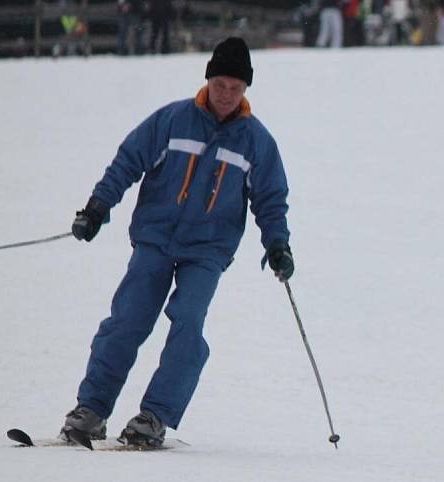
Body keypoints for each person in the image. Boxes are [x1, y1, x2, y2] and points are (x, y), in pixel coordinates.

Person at [59, 37, 294, 447]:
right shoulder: (172, 120)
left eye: (236, 88)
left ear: (246, 90)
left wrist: (278, 245)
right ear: (208, 79)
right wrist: (97, 207)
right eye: (221, 84)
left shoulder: (256, 141)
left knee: (188, 321)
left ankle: (155, 415)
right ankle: (92, 409)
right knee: (127, 320)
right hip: (156, 239)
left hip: (207, 251)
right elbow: (127, 162)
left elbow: (271, 200)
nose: (226, 95)